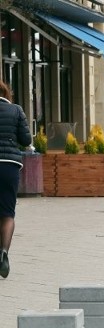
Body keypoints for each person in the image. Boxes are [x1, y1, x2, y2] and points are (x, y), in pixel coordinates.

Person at [0, 80, 32, 278]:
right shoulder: (16, 110)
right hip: (10, 165)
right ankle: (3, 252)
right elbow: (26, 140)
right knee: (7, 213)